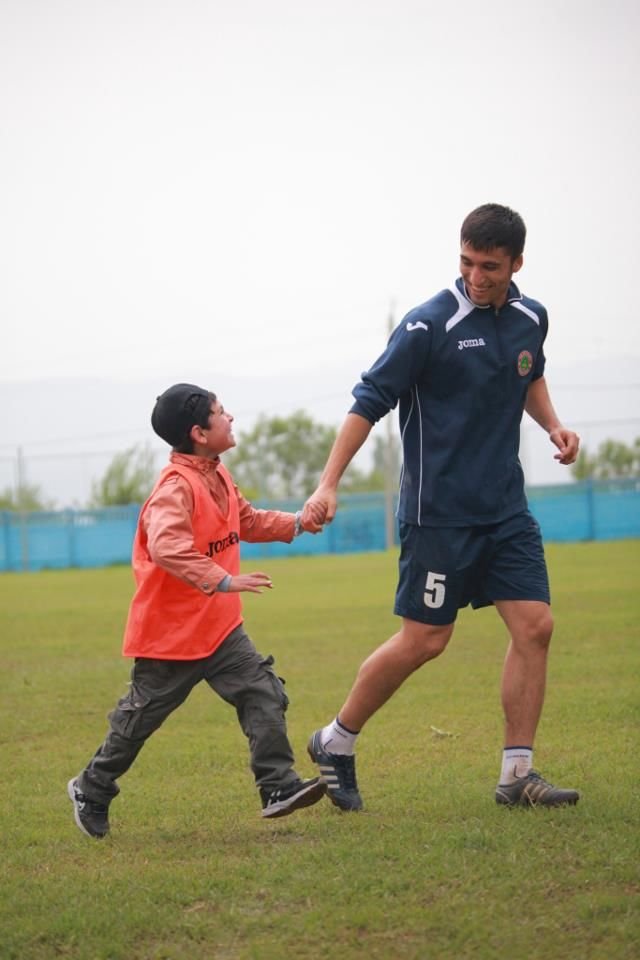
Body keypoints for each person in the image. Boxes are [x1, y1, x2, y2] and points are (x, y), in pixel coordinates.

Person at [304, 203, 581, 812]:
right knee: (427, 641)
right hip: (438, 516)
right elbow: (368, 400)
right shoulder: (428, 325)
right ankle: (336, 739)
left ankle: (517, 774)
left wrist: (554, 425)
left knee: (536, 626)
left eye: (490, 265)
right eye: (466, 262)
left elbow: (526, 373)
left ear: (516, 264)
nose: (476, 275)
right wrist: (328, 484)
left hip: (505, 510)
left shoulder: (531, 317)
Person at [68, 382, 326, 838]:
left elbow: (244, 521)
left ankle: (277, 786)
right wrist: (223, 580)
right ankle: (92, 786)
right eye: (222, 412)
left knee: (262, 692)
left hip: (221, 628)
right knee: (138, 722)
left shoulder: (217, 474)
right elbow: (167, 545)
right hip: (170, 635)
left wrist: (298, 522)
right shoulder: (175, 487)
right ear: (199, 432)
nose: (231, 418)